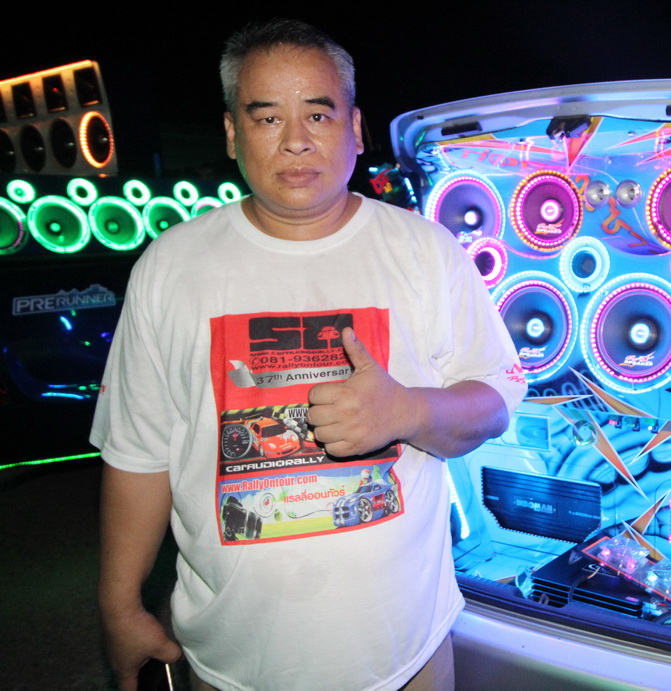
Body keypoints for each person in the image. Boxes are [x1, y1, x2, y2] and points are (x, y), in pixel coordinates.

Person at [92, 18, 526, 691]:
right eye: (267, 117)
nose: (295, 139)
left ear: (355, 128)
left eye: (318, 114)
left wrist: (407, 410)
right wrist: (119, 606)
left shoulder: (424, 250)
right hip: (233, 662)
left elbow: (493, 403)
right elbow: (138, 453)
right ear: (231, 133)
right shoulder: (170, 266)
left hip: (406, 652)